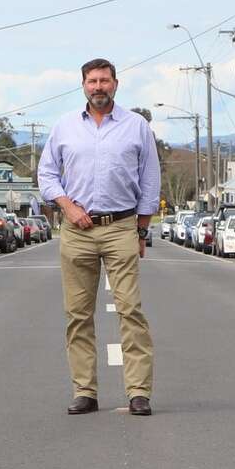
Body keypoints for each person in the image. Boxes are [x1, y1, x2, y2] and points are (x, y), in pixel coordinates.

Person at [37, 58, 160, 416]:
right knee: (78, 314)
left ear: (116, 84)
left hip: (121, 226)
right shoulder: (64, 127)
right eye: (92, 81)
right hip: (77, 231)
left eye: (104, 80)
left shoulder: (137, 126)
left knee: (130, 310)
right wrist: (66, 207)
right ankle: (85, 391)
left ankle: (138, 391)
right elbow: (46, 175)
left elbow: (150, 182)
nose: (98, 87)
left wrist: (141, 229)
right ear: (83, 86)